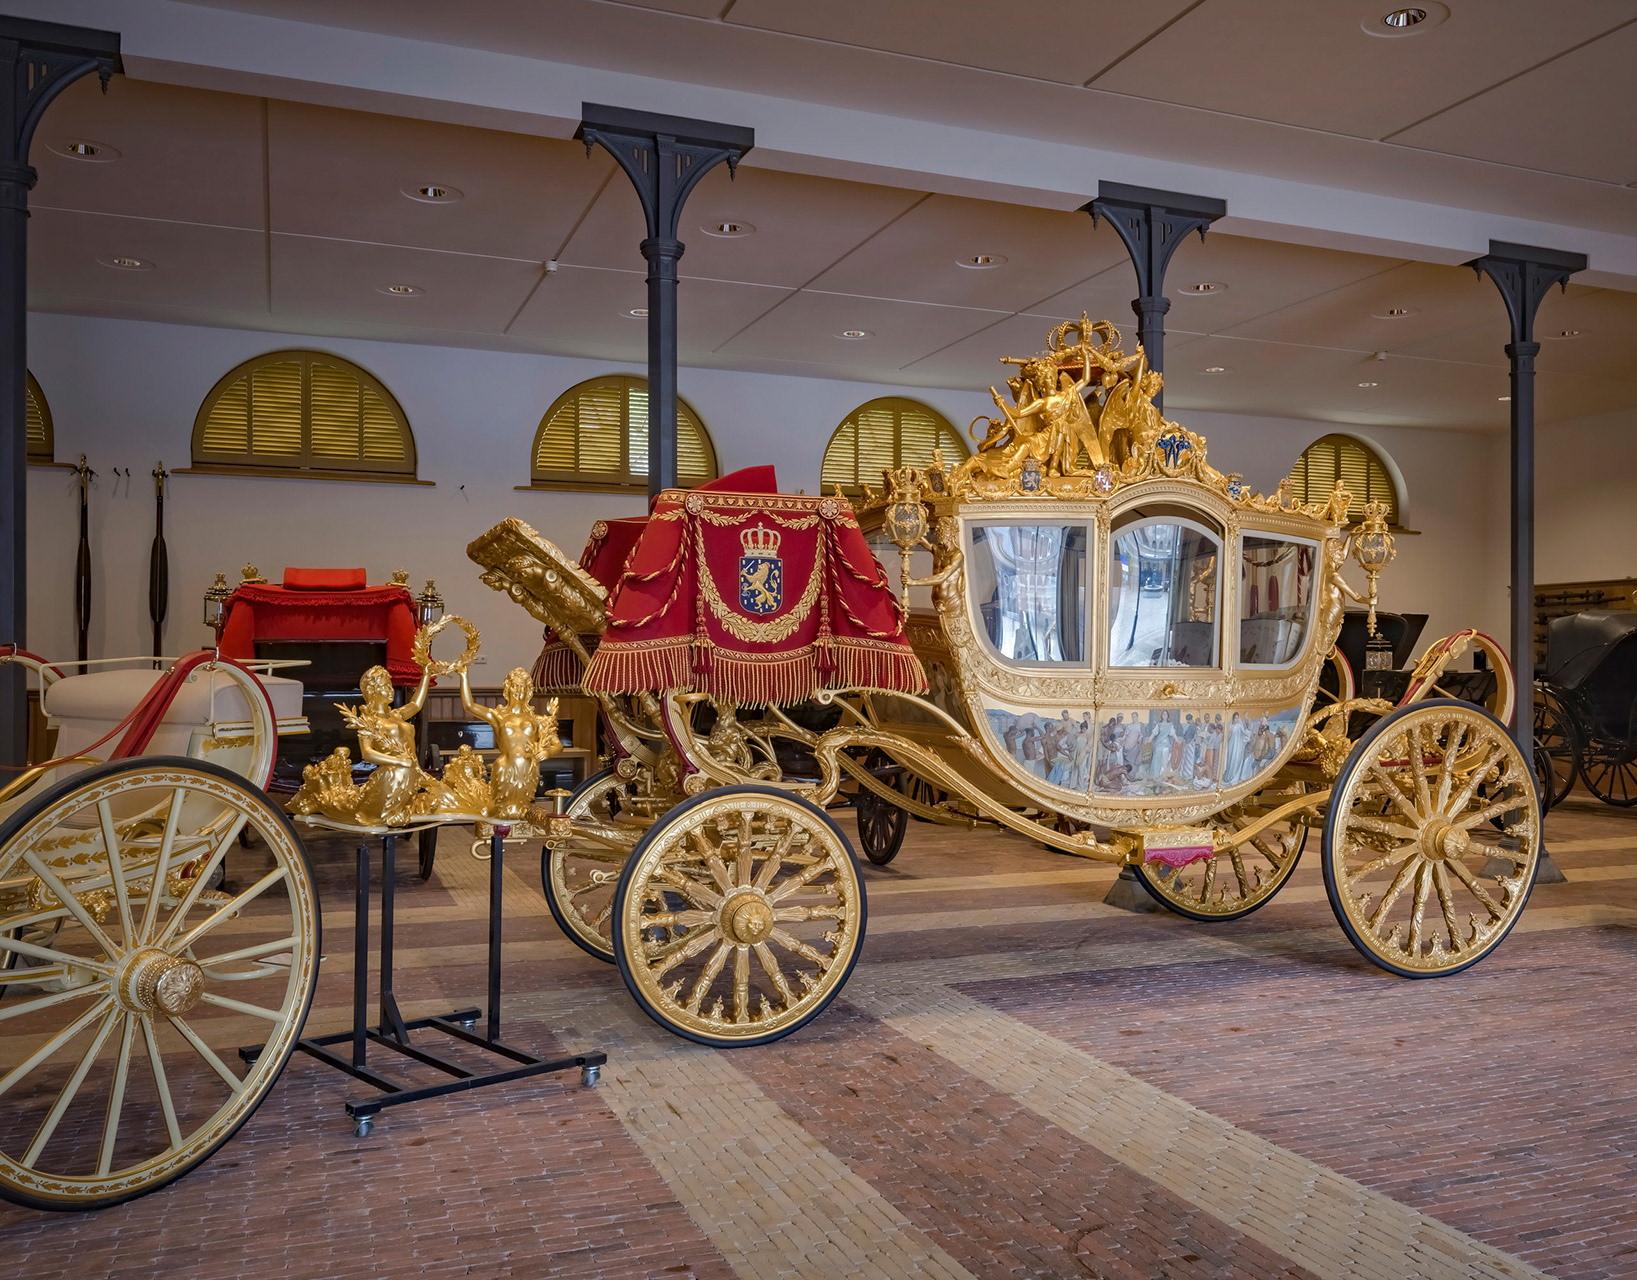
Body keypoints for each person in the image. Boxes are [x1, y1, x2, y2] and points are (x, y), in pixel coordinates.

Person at [459, 665, 561, 820]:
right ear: (507, 689)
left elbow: (558, 746)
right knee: (499, 812)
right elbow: (469, 706)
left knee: (523, 811)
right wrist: (463, 675)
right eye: (515, 686)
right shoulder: (498, 716)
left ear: (528, 691)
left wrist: (547, 753)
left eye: (522, 687)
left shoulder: (538, 720)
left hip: (528, 772)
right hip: (504, 769)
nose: (518, 691)